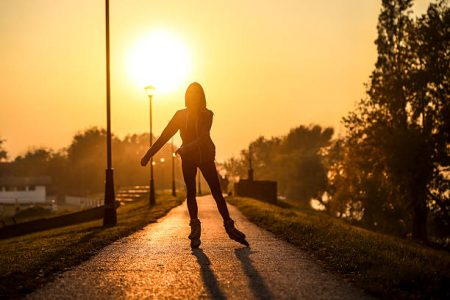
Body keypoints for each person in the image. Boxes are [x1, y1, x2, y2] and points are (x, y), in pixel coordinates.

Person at [140, 82, 249, 248]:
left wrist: (185, 148)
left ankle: (229, 225)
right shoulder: (180, 115)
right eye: (190, 96)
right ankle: (194, 226)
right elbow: (164, 136)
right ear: (186, 97)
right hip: (188, 158)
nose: (193, 99)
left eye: (196, 96)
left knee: (216, 192)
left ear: (202, 98)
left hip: (205, 156)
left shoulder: (207, 114)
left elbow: (203, 138)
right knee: (190, 192)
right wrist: (148, 154)